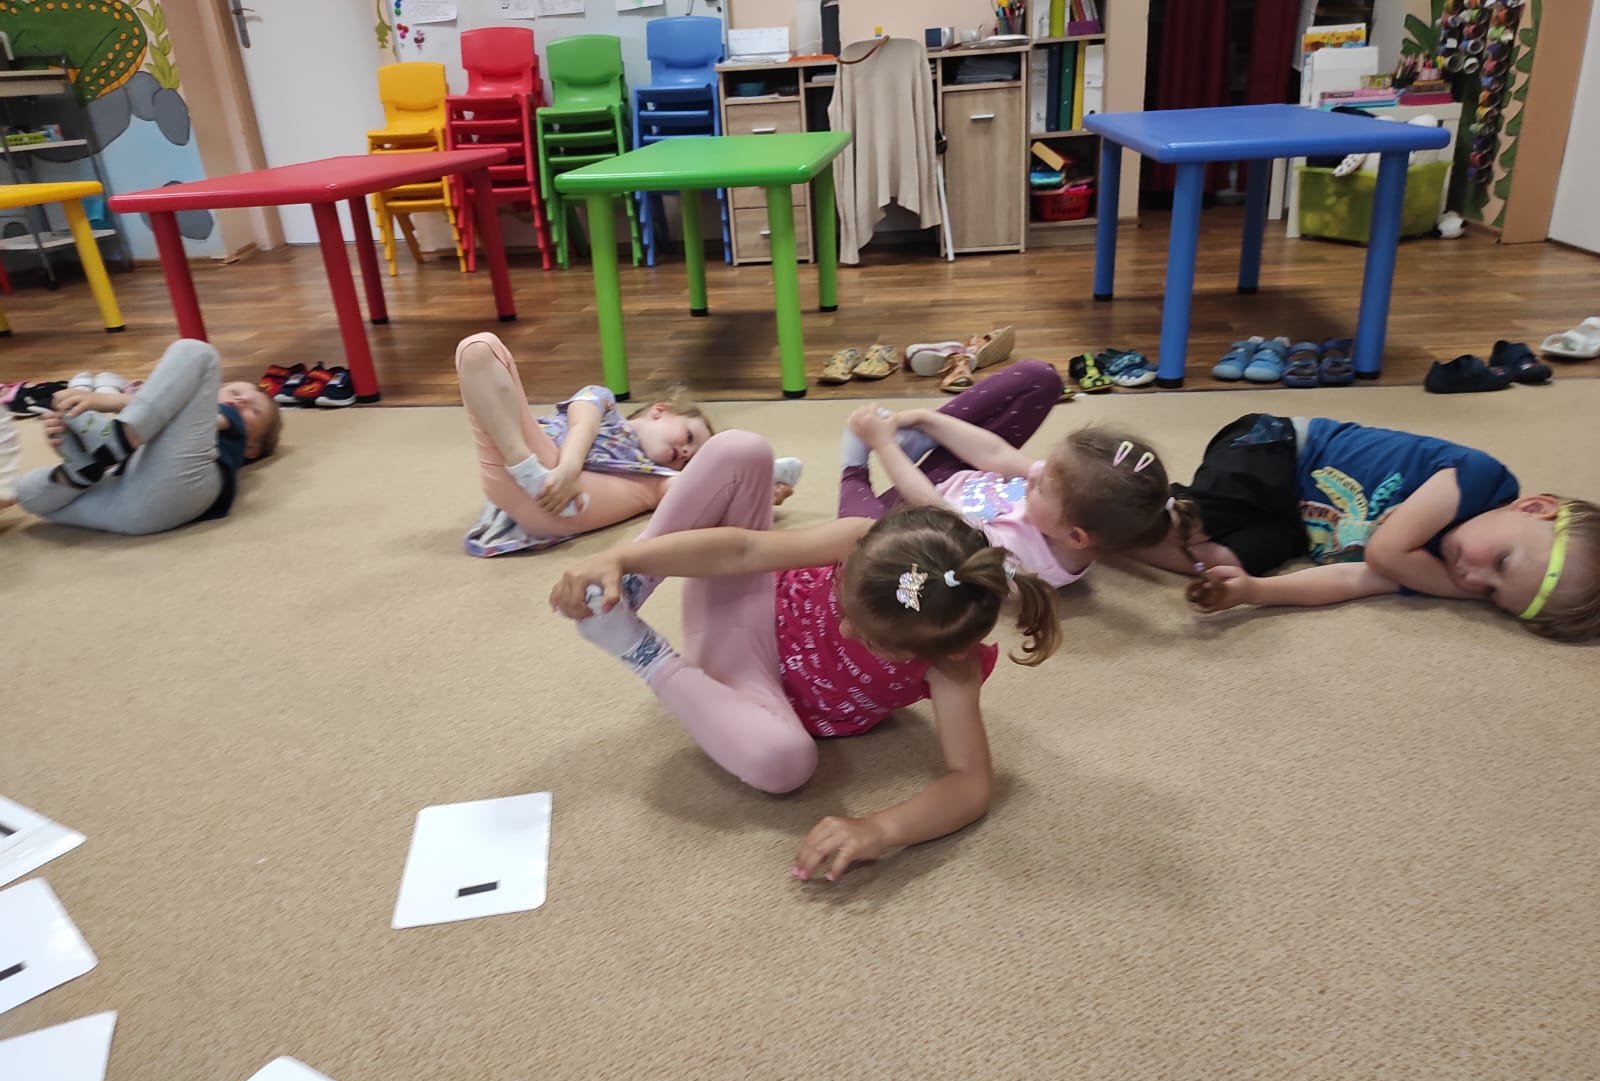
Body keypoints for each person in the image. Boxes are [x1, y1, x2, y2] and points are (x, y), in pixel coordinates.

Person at [548, 429, 1062, 883]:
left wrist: (881, 828)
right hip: (741, 598)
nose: (844, 627)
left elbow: (970, 783)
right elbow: (744, 551)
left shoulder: (952, 663)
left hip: (750, 681)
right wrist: (622, 555)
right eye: (844, 599)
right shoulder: (863, 538)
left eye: (870, 638)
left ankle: (637, 648)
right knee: (741, 449)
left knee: (786, 763)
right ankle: (628, 580)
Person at [1136, 412, 1600, 642]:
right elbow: (1384, 553)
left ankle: (1115, 539)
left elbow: (1349, 579)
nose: (1472, 579)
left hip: (1294, 522)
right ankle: (1119, 496)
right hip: (1278, 448)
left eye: (1491, 594)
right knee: (1199, 524)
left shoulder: (1433, 568)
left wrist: (1256, 591)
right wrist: (1456, 591)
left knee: (1225, 562)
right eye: (1501, 562)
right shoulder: (1479, 478)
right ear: (1532, 507)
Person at [838, 359, 1181, 587]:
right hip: (952, 476)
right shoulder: (1065, 502)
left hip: (913, 512)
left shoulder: (1019, 558)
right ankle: (921, 438)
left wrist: (883, 445)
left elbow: (929, 504)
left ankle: (852, 470)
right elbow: (996, 454)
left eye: (1041, 487)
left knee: (861, 550)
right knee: (1040, 378)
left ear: (1075, 537)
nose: (1032, 476)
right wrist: (925, 419)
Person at [457, 333, 801, 557]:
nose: (685, 453)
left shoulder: (658, 476)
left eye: (689, 458)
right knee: (479, 348)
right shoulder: (604, 404)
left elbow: (697, 501)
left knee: (684, 486)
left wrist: (757, 497)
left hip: (565, 505)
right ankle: (524, 466)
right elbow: (582, 422)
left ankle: (751, 475)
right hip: (534, 463)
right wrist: (567, 470)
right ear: (659, 411)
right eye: (688, 438)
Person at [0, 339, 280, 534]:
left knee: (197, 353)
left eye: (253, 410)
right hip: (128, 505)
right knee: (26, 492)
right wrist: (72, 443)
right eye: (235, 392)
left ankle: (116, 440)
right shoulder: (159, 419)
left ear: (252, 448)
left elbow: (208, 418)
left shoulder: (226, 429)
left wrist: (111, 401)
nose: (241, 400)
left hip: (179, 491)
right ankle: (78, 472)